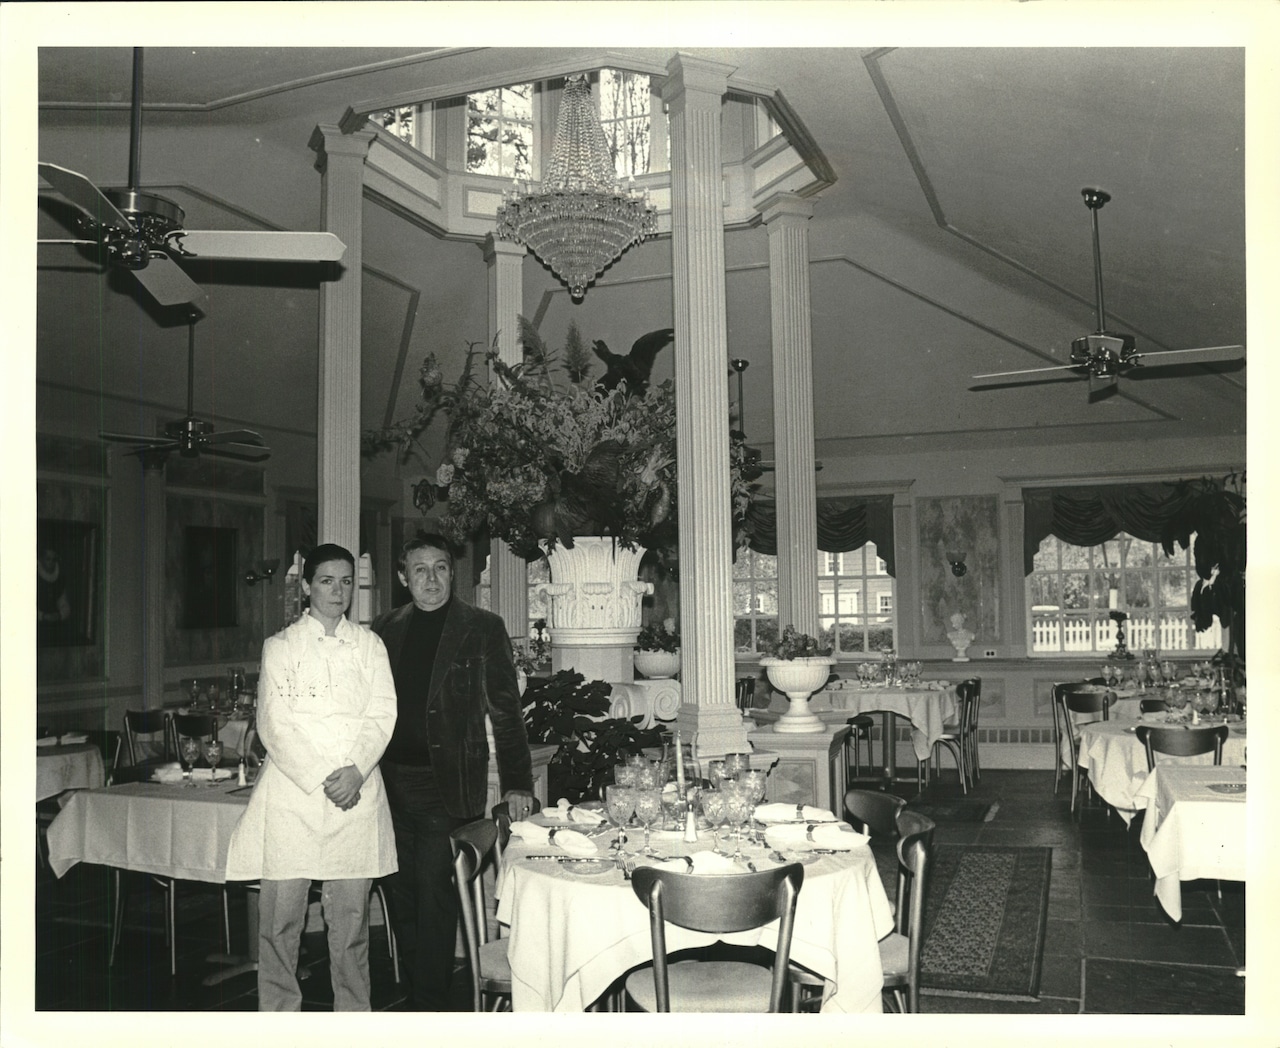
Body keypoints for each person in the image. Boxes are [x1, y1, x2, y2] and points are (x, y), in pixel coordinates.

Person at [226, 543, 398, 1011]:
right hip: (293, 798)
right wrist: (327, 776)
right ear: (306, 586)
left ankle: (353, 1022)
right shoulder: (281, 647)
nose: (338, 591)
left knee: (350, 928)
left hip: (356, 795)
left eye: (346, 581)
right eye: (327, 580)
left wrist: (355, 771)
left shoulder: (370, 646)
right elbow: (275, 725)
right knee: (280, 925)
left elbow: (382, 714)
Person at [372, 532, 534, 1010]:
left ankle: (428, 1008)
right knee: (399, 893)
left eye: (441, 568)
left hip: (445, 786)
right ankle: (419, 985)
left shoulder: (481, 627)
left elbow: (506, 713)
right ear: (404, 578)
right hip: (388, 784)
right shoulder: (384, 628)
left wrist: (518, 783)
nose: (431, 579)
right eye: (420, 570)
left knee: (433, 896)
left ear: (452, 573)